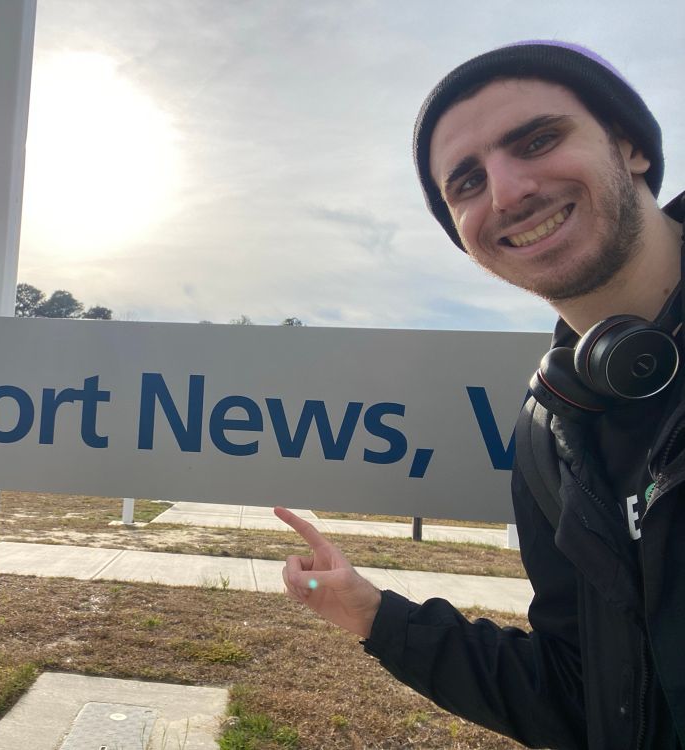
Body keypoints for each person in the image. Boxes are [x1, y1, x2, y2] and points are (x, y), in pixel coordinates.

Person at [275, 41, 685, 749]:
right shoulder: (552, 432)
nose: (507, 192)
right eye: (466, 182)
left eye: (538, 140)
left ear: (631, 146)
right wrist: (374, 616)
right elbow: (579, 693)